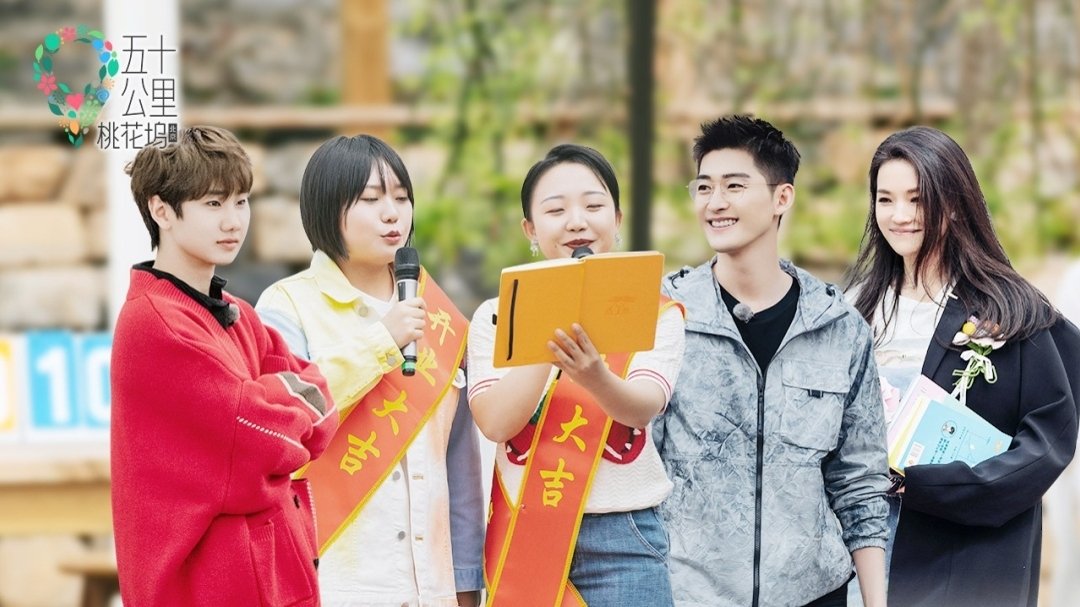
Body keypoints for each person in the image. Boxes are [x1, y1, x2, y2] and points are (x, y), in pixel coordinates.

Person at [655, 115, 890, 607]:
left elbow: (860, 483)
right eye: (704, 187)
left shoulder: (839, 328)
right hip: (690, 595)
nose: (715, 202)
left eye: (734, 186)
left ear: (782, 198)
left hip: (814, 594)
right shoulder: (666, 316)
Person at [844, 125, 1080, 606]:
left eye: (917, 199)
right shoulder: (854, 308)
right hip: (860, 549)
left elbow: (1050, 437)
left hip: (961, 556)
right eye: (885, 200)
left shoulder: (1009, 312)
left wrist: (942, 486)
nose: (900, 215)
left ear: (953, 202)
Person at [111, 126, 339, 606]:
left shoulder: (237, 314)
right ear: (161, 210)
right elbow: (260, 439)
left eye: (241, 201)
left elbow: (322, 405)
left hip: (268, 575)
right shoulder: (157, 324)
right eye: (213, 204)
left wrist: (273, 397)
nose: (233, 221)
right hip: (206, 586)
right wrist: (281, 397)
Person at [255, 134, 484, 607]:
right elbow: (283, 418)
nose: (392, 213)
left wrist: (465, 583)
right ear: (327, 208)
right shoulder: (286, 305)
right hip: (334, 584)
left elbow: (460, 465)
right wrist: (382, 341)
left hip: (433, 591)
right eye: (371, 199)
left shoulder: (436, 312)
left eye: (401, 198)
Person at [467, 143, 685, 606]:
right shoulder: (496, 315)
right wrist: (548, 326)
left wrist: (594, 375)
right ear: (530, 228)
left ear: (617, 219)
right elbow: (495, 423)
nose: (576, 222)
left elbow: (644, 407)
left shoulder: (656, 312)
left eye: (593, 206)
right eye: (555, 210)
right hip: (526, 536)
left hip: (625, 539)